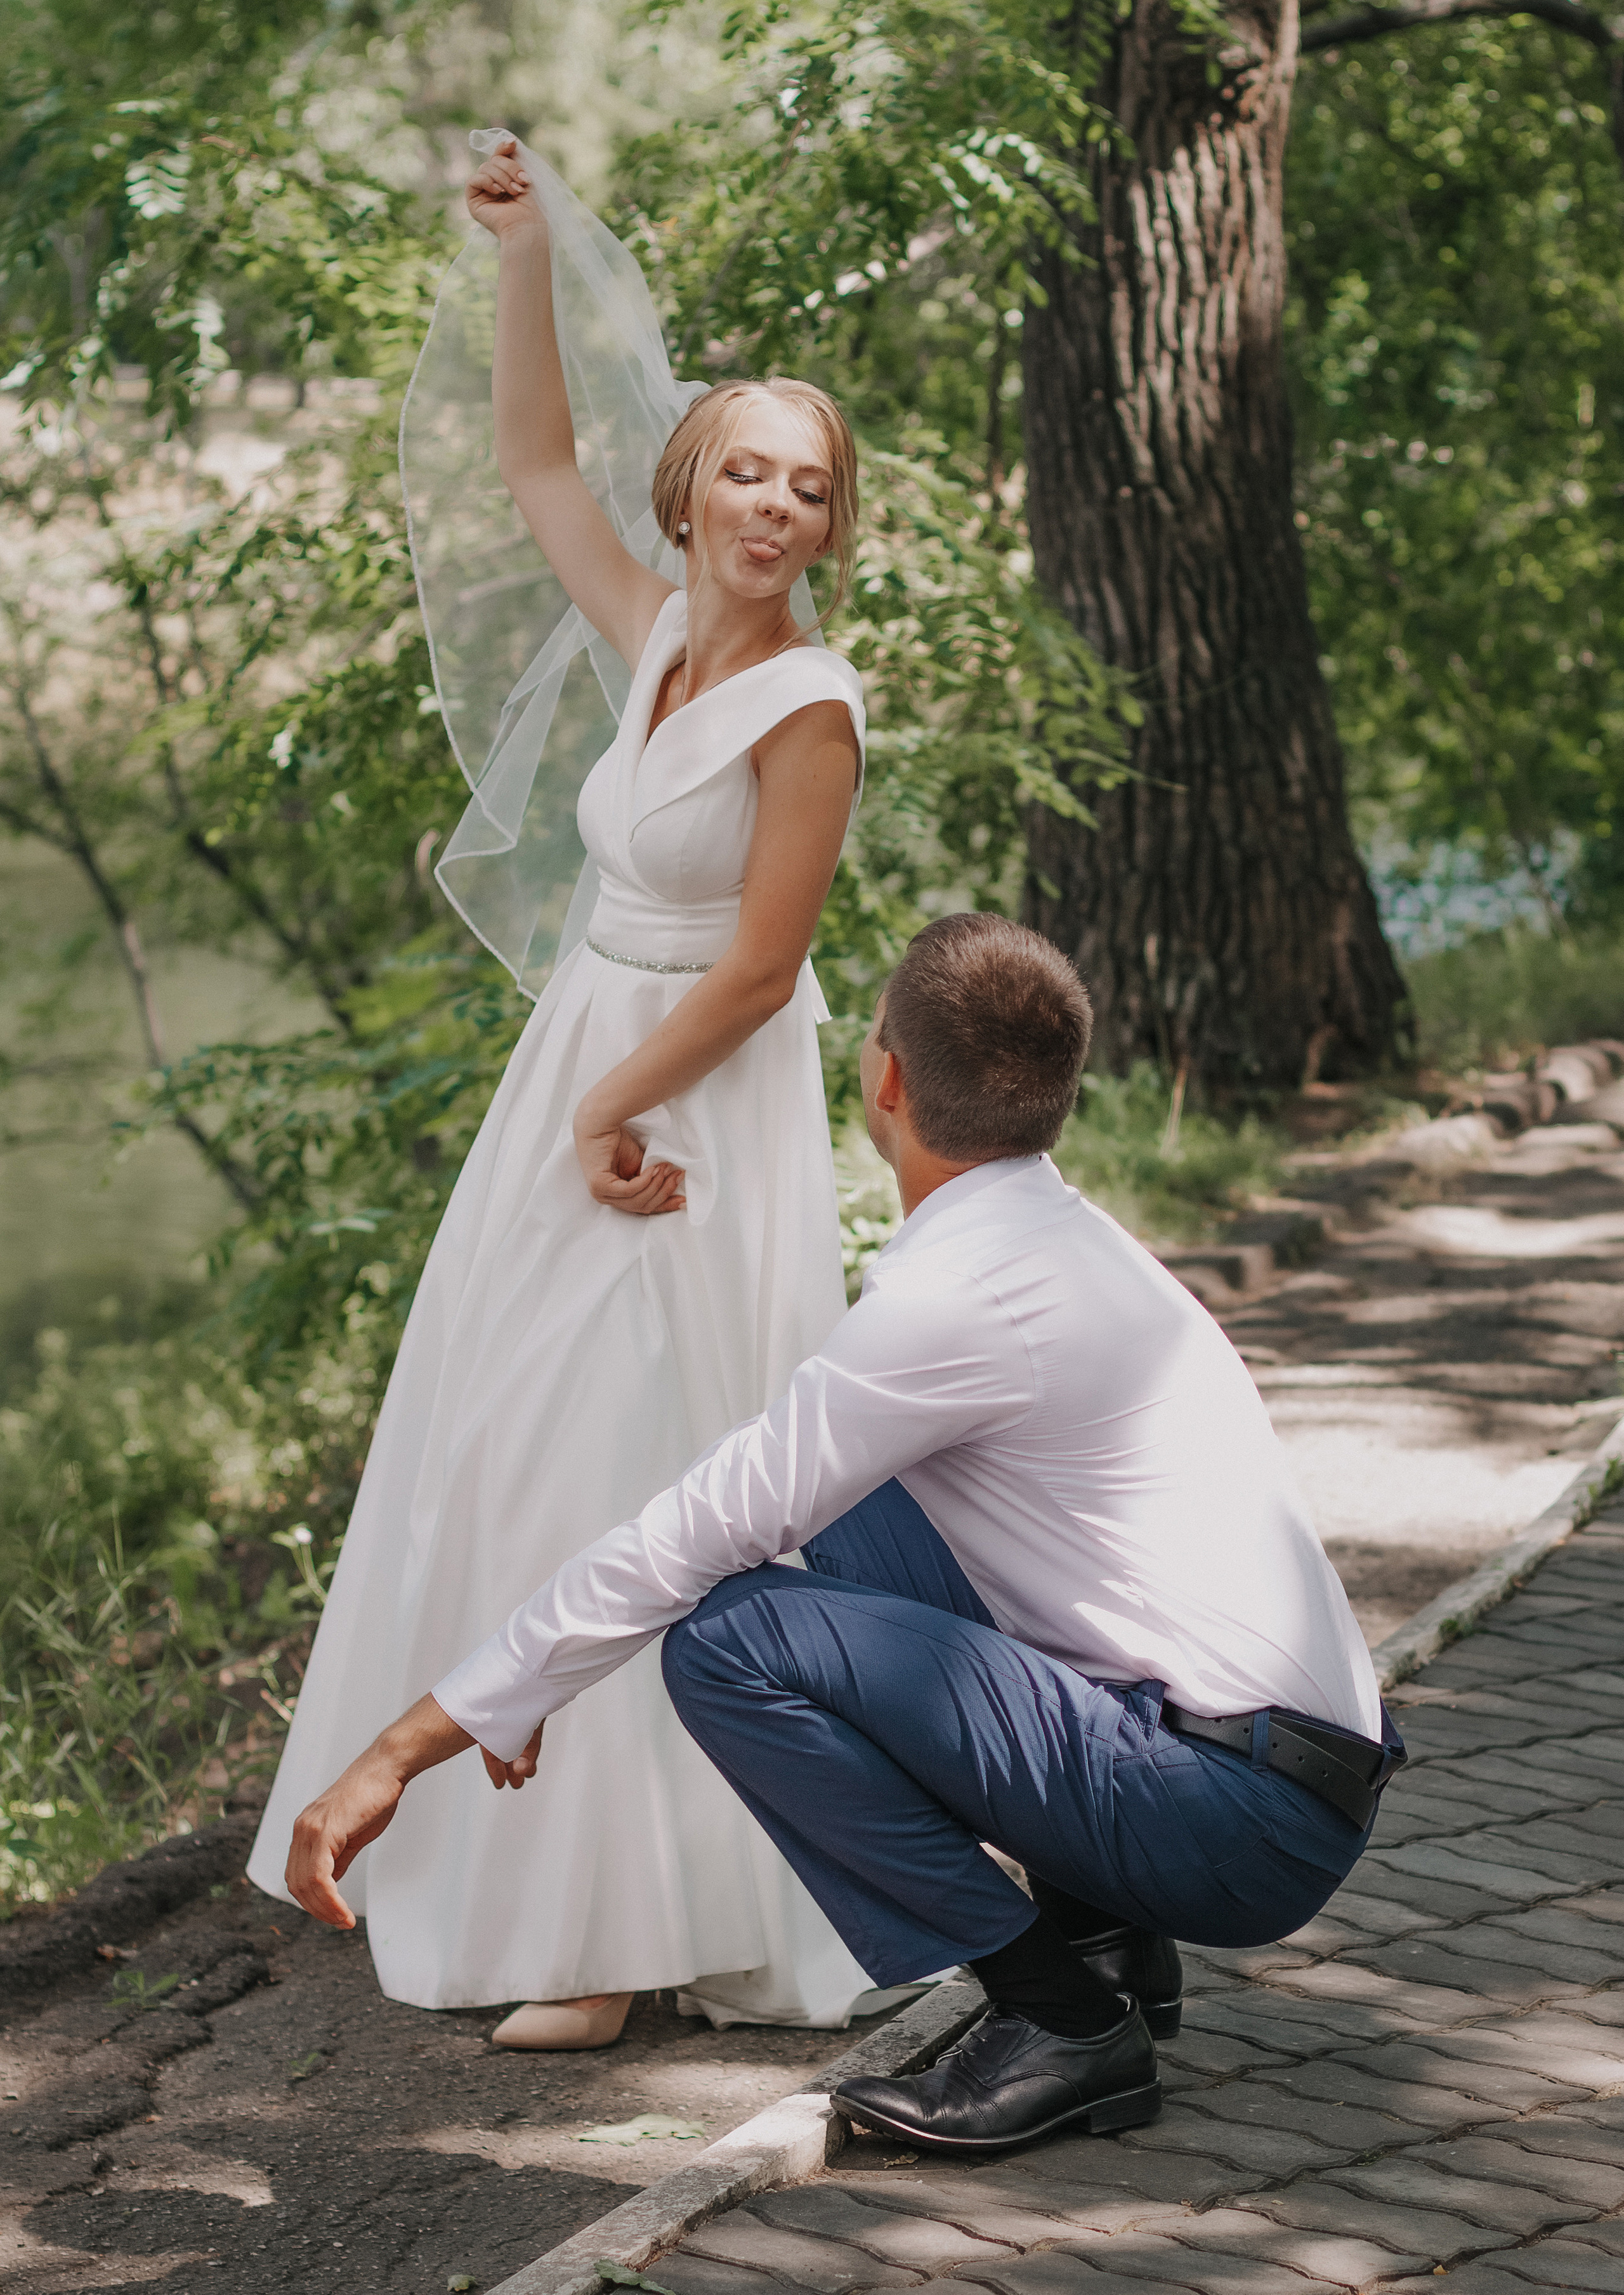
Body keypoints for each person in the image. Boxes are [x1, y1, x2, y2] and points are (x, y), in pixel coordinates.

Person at [283, 912, 1405, 2154]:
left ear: (887, 1080)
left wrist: (403, 1748)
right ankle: (1103, 1942)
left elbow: (691, 1535)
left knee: (728, 1643)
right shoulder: (1066, 1243)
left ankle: (1061, 2023)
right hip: (1268, 1774)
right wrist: (534, 1679)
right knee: (851, 1498)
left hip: (1233, 1822)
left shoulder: (952, 1302)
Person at [248, 130, 905, 2048]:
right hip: (589, 1076)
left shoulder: (810, 708)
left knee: (634, 1465)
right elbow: (535, 462)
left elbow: (762, 968)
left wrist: (613, 1107)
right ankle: (500, 1861)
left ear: (829, 529)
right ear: (689, 485)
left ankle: (621, 1932)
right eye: (747, 470)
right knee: (508, 1442)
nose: (773, 505)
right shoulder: (660, 638)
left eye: (808, 487)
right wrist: (524, 254)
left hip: (689, 1103)